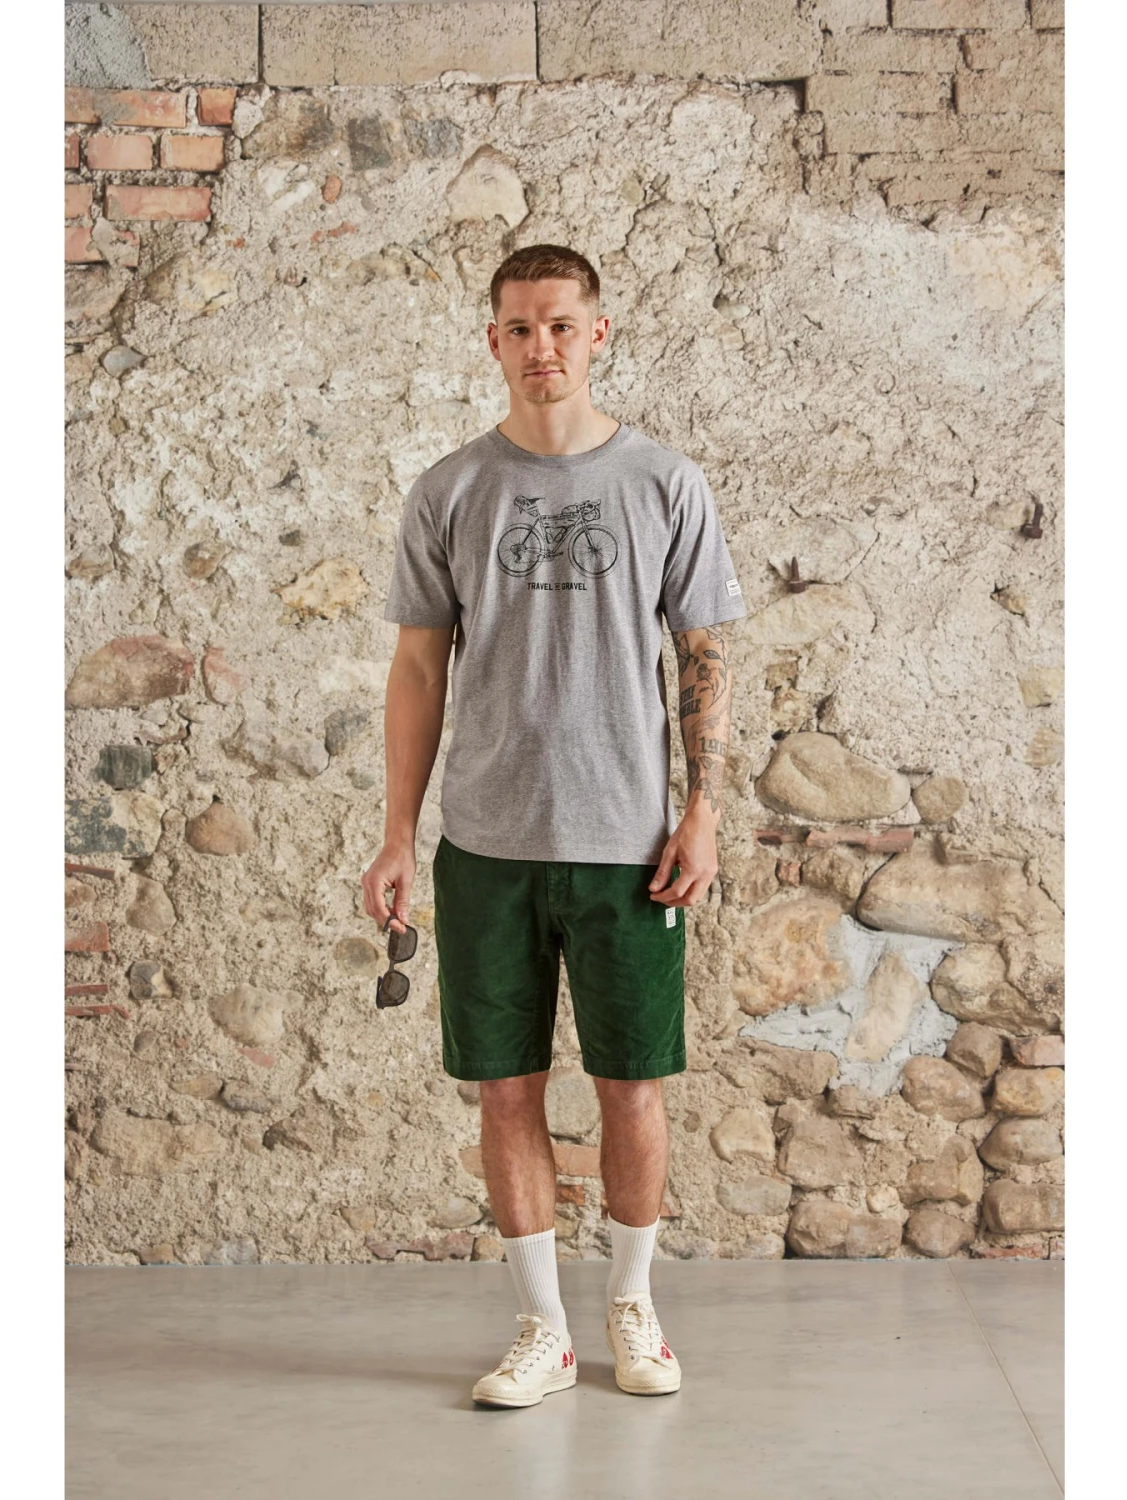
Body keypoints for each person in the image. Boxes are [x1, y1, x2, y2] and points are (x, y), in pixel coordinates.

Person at [362, 243, 747, 1408]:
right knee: (505, 1089)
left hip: (629, 846)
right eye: (521, 328)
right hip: (487, 844)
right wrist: (396, 834)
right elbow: (417, 670)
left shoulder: (665, 483)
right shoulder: (450, 491)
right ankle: (543, 1329)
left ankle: (633, 1305)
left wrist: (704, 810)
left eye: (563, 325)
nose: (543, 347)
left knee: (633, 1087)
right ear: (493, 341)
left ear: (599, 333)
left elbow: (705, 655)